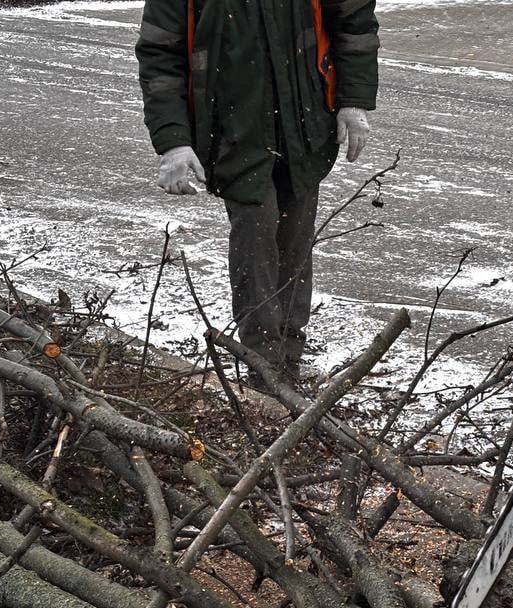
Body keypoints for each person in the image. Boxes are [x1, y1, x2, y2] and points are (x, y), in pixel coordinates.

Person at [135, 0, 380, 381]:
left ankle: (289, 362)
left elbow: (354, 23)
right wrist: (173, 142)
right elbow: (160, 56)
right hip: (232, 130)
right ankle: (265, 370)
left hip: (306, 125)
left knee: (295, 241)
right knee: (256, 234)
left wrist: (354, 101)